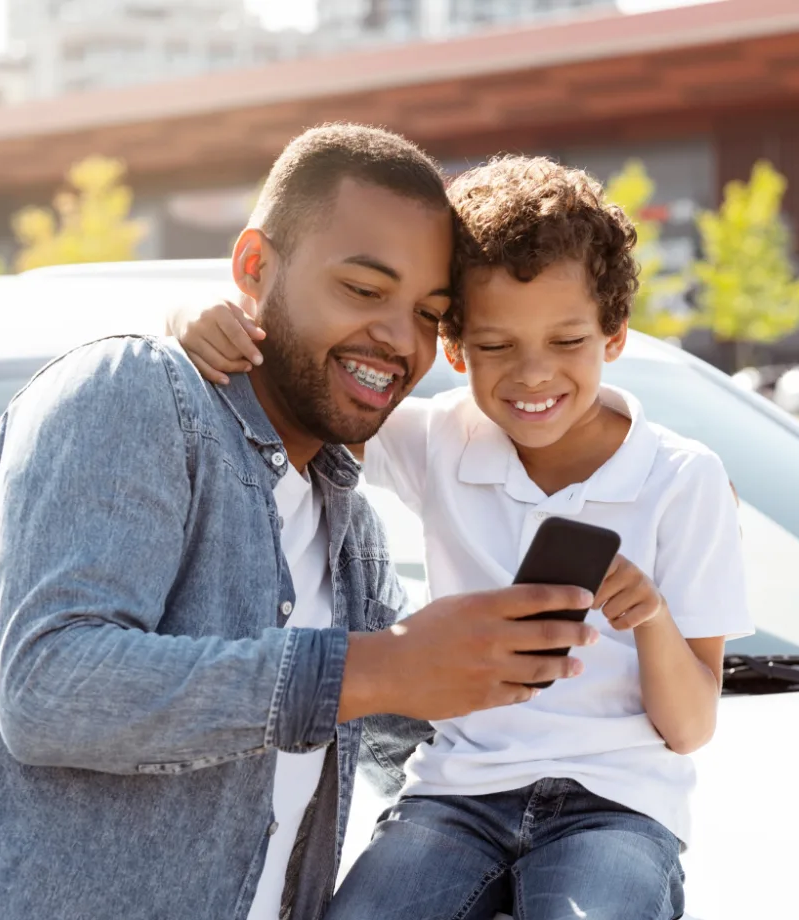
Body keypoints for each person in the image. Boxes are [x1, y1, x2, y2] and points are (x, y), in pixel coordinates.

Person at [0, 128, 601, 920]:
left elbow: (411, 736)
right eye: (364, 290)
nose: (399, 341)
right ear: (252, 268)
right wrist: (375, 668)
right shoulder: (134, 393)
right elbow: (50, 688)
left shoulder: (348, 527)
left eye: (428, 314)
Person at [171, 155, 753, 920]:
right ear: (455, 350)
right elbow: (301, 392)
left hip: (617, 806)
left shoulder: (683, 479)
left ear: (613, 337)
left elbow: (690, 728)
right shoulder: (443, 440)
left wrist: (647, 616)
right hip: (457, 799)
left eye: (567, 340)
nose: (533, 375)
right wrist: (195, 319)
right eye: (497, 346)